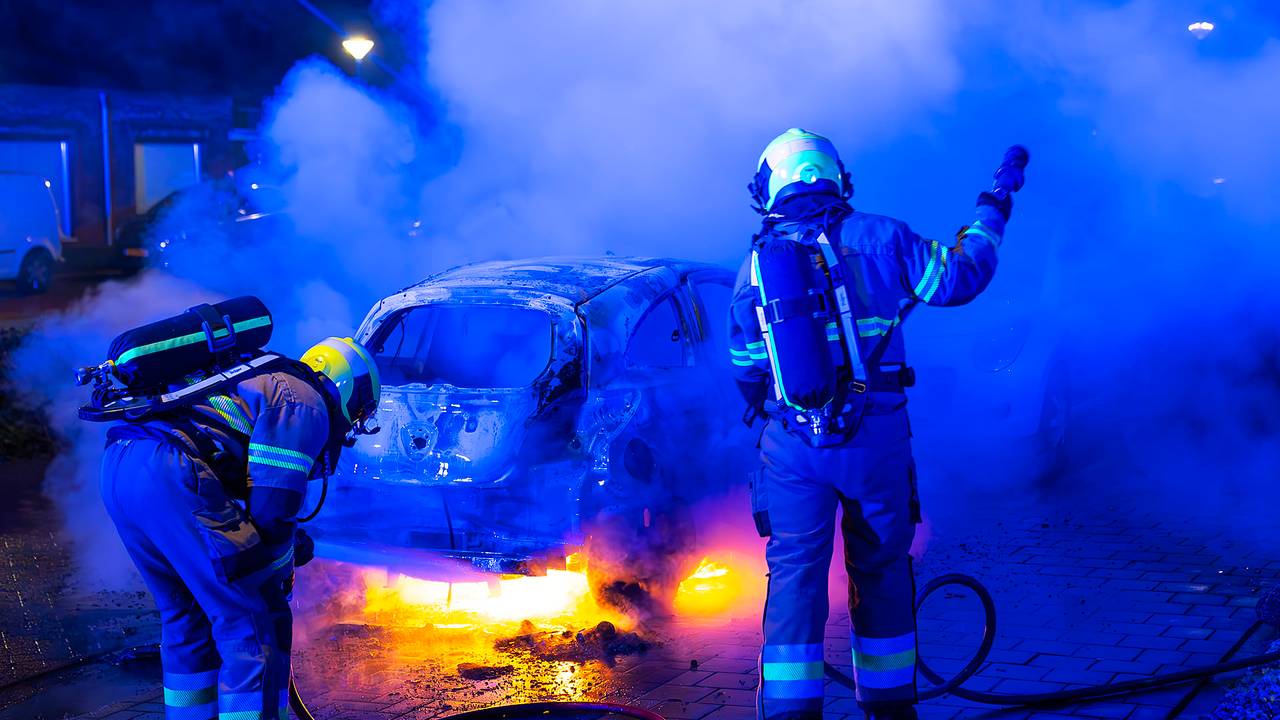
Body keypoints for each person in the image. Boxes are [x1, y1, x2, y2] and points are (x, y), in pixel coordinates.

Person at [729, 129, 1026, 720]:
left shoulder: (755, 268)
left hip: (791, 448)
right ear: (837, 178)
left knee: (795, 577)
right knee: (883, 570)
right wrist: (992, 209)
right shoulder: (884, 236)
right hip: (875, 440)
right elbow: (961, 279)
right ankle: (890, 709)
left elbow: (746, 372)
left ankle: (789, 713)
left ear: (770, 188)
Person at [99, 336, 380, 720]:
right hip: (171, 477)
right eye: (358, 415)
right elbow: (273, 512)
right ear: (350, 393)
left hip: (122, 466)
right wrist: (280, 570)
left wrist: (282, 543)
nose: (348, 428)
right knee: (256, 622)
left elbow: (247, 491)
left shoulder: (262, 377)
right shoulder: (303, 404)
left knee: (188, 616)